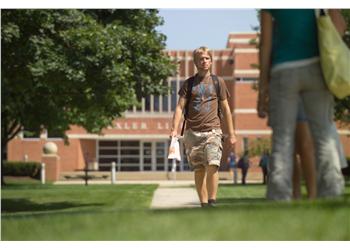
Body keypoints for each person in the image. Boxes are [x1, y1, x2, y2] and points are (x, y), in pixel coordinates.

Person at [257, 9, 346, 200]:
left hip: (283, 72)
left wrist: (263, 86)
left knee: (283, 138)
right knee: (324, 134)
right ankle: (331, 193)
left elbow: (265, 44)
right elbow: (339, 24)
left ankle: (280, 197)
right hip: (316, 67)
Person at [170, 46, 237, 207]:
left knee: (213, 163)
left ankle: (212, 200)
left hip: (213, 131)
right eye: (201, 59)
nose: (204, 61)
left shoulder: (217, 82)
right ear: (195, 62)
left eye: (207, 58)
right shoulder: (189, 83)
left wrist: (232, 133)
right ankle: (204, 203)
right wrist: (174, 129)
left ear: (211, 61)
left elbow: (226, 109)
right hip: (192, 133)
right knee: (199, 169)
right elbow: (180, 107)